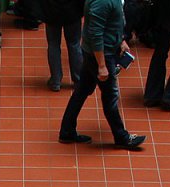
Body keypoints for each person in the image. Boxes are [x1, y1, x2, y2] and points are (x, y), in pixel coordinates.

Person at [57, 0, 146, 150]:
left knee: (82, 91)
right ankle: (121, 137)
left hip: (98, 53)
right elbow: (96, 34)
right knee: (110, 96)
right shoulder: (102, 3)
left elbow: (112, 22)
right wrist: (102, 65)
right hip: (102, 55)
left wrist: (121, 40)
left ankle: (67, 131)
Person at [40, 0, 83, 91]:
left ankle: (56, 81)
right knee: (74, 44)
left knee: (53, 44)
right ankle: (78, 79)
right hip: (73, 12)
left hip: (51, 11)